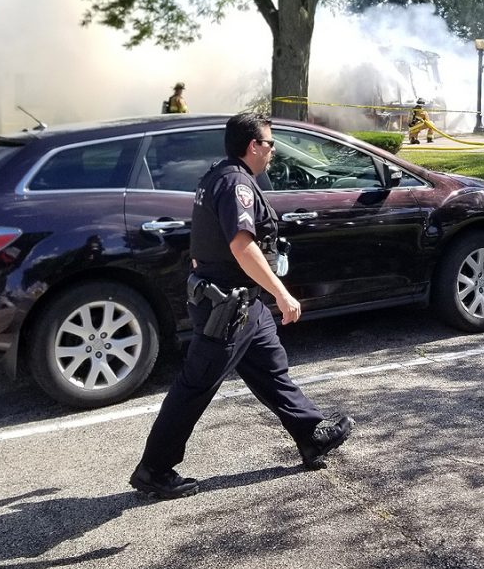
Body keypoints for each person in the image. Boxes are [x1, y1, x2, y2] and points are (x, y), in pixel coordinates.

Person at [130, 112, 355, 499]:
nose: (271, 151)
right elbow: (241, 244)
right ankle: (154, 469)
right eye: (269, 144)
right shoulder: (236, 184)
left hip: (242, 303)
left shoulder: (218, 174)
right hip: (227, 306)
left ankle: (310, 435)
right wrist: (282, 293)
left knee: (272, 371)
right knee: (195, 387)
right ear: (253, 146)